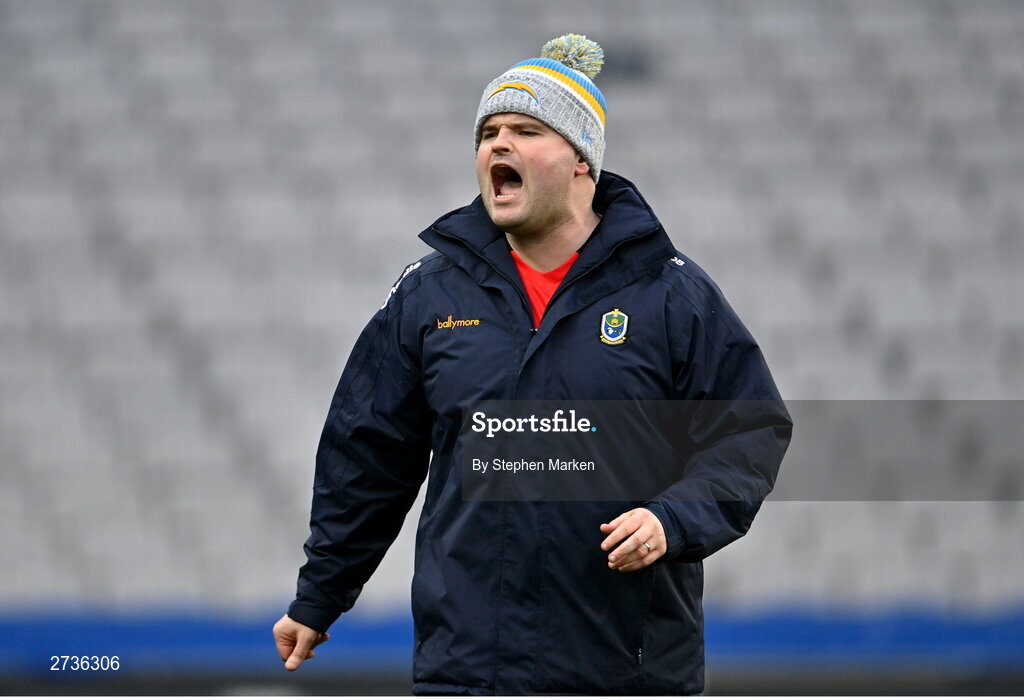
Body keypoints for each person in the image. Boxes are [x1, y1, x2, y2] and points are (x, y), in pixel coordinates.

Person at [273, 34, 791, 695]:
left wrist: (673, 519)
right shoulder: (429, 294)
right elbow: (368, 454)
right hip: (469, 670)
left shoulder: (671, 294)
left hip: (626, 672)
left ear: (581, 161)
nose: (498, 145)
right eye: (488, 133)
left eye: (525, 130)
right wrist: (321, 595)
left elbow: (749, 429)